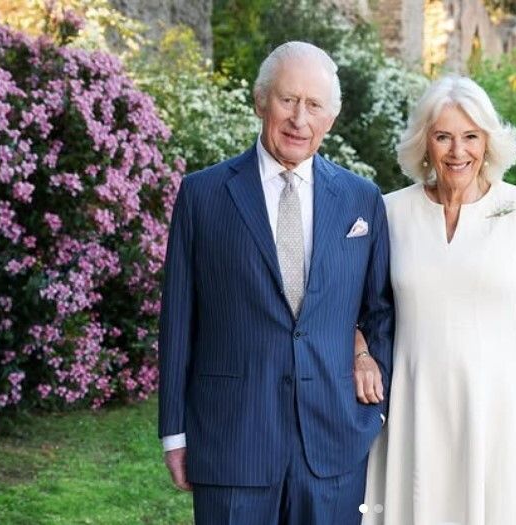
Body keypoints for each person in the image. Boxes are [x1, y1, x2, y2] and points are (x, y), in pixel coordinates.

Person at [158, 41, 394, 525]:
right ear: (261, 101)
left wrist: (374, 397)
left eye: (314, 105)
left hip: (333, 444)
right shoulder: (202, 195)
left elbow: (380, 311)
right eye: (288, 100)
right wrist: (174, 433)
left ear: (331, 118)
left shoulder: (362, 199)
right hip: (232, 440)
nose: (299, 119)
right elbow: (178, 321)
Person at [360, 75, 516, 524]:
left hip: (499, 406)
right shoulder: (390, 211)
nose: (458, 151)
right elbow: (358, 305)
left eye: (471, 136)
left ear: (488, 142)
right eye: (443, 137)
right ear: (425, 143)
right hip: (414, 405)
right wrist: (359, 351)